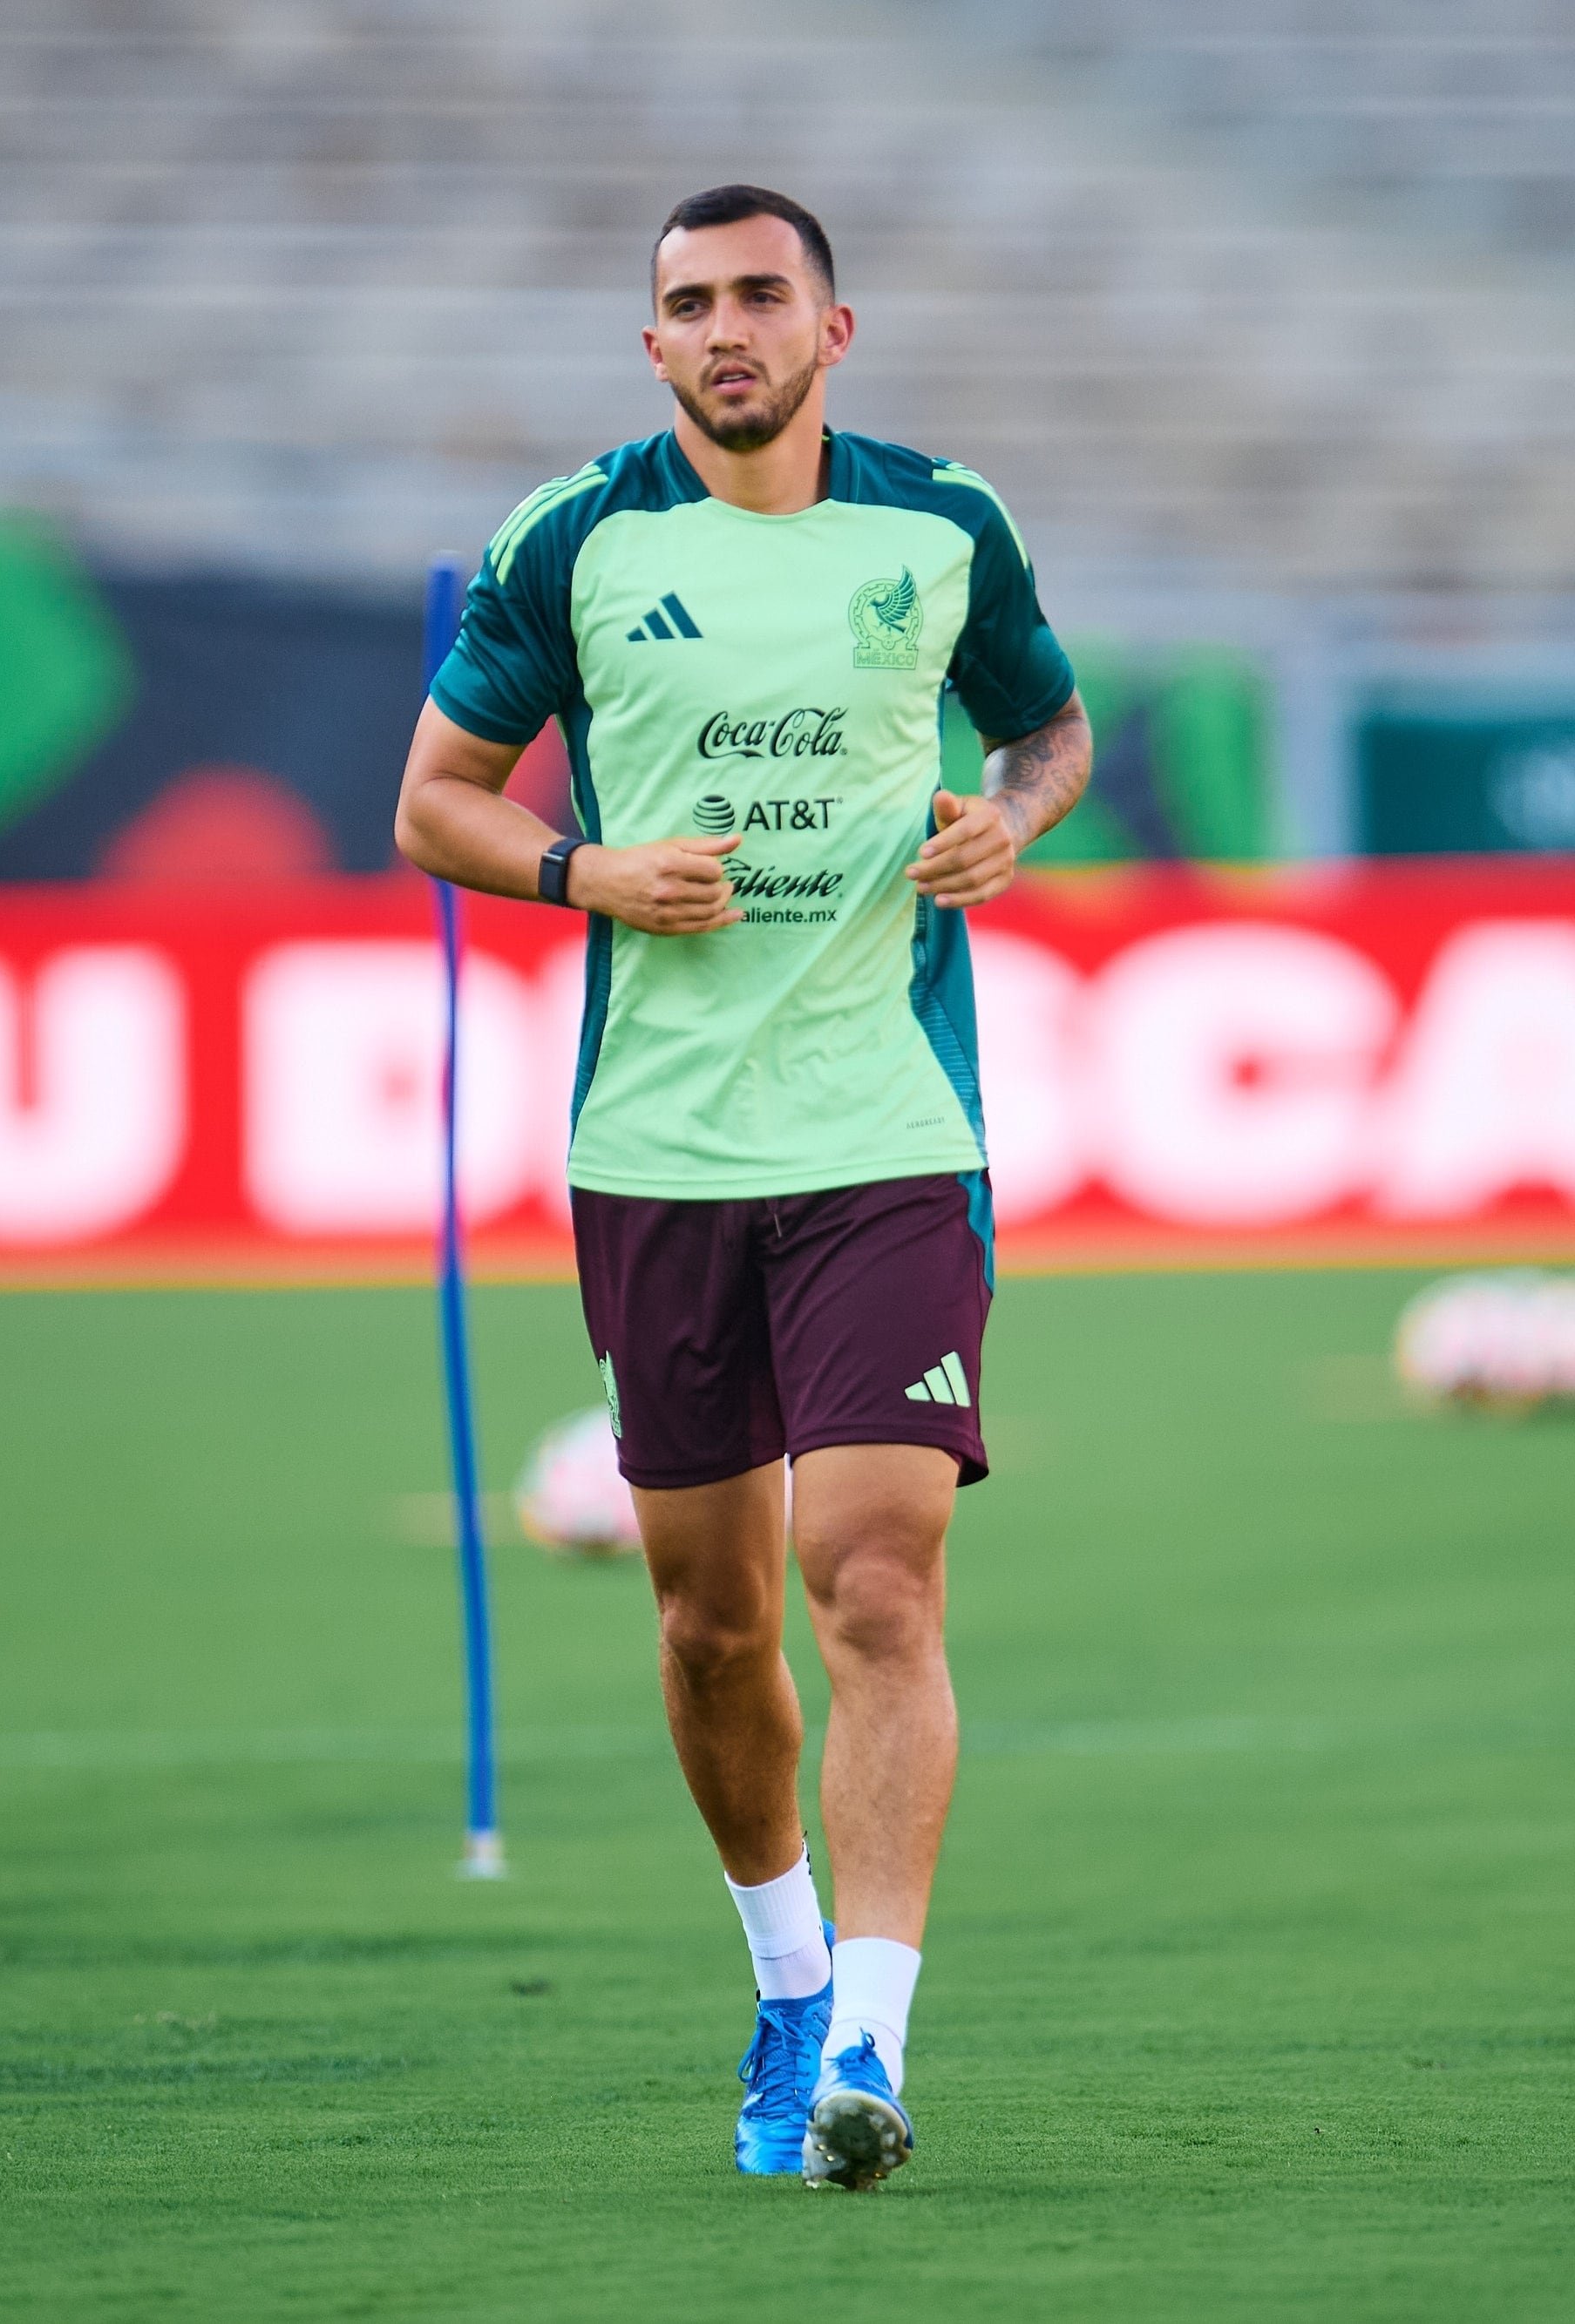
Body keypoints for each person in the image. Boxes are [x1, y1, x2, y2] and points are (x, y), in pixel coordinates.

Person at [394, 182, 1090, 2192]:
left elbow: (1047, 724)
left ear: (831, 328)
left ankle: (869, 2038)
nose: (724, 329)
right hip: (660, 1149)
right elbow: (434, 796)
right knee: (710, 1626)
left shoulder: (939, 523)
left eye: (758, 296)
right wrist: (579, 871)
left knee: (870, 1571)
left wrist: (1009, 818)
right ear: (651, 346)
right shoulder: (577, 539)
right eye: (687, 303)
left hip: (886, 1126)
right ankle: (787, 1975)